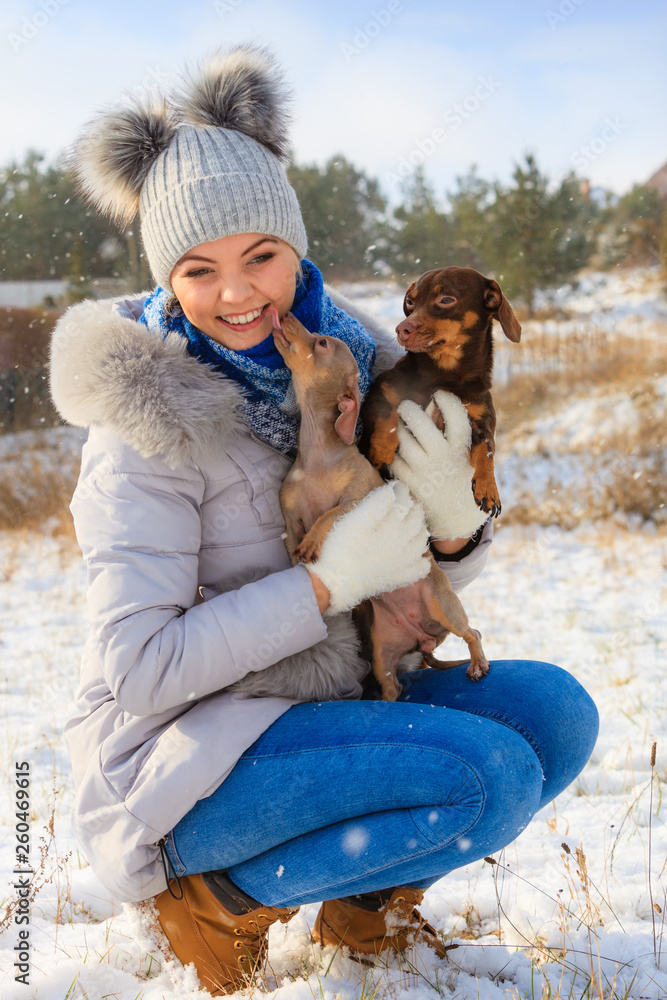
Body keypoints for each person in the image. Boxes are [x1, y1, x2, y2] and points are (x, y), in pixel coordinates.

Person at [50, 45, 598, 997]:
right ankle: (210, 897)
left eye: (260, 256)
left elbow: (403, 579)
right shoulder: (142, 427)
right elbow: (139, 671)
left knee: (553, 714)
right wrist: (324, 583)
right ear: (166, 279)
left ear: (296, 249)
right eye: (199, 270)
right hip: (190, 756)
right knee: (484, 777)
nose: (236, 294)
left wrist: (453, 528)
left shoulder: (358, 365)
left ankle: (363, 907)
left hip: (335, 697)